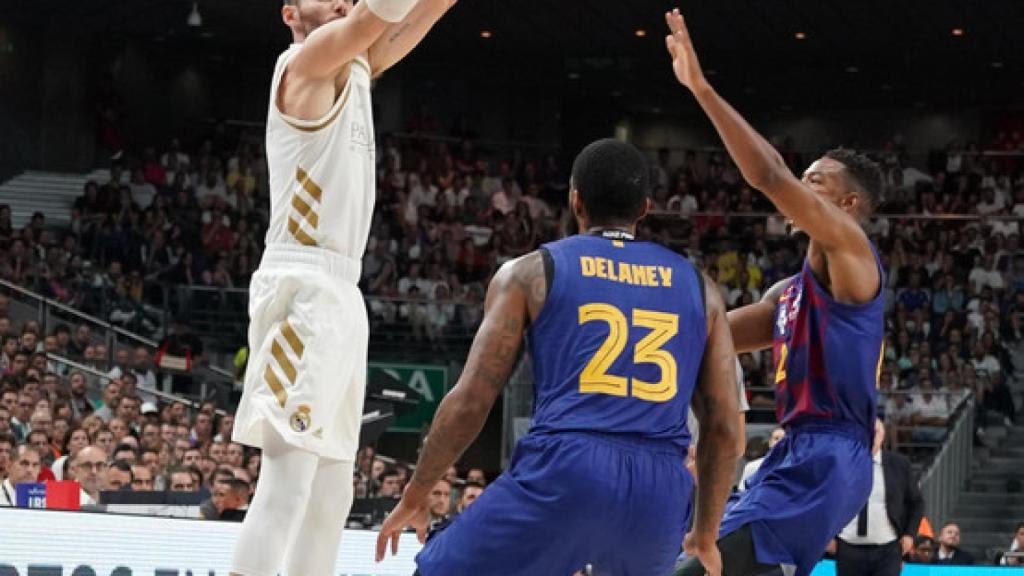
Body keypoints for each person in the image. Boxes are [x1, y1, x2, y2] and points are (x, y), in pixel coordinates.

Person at [377, 138, 741, 575]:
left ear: (575, 200)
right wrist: (705, 531)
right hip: (660, 488)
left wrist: (416, 494)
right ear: (645, 208)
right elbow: (723, 428)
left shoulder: (531, 272)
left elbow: (472, 400)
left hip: (569, 467)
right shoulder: (702, 289)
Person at [229, 0, 456, 574]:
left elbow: (413, 18)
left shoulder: (354, 66)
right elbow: (373, 20)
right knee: (288, 485)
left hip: (340, 291)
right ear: (289, 13)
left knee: (333, 495)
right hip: (301, 285)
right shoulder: (303, 65)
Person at [666, 9, 885, 576]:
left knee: (699, 568)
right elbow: (705, 339)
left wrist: (703, 90)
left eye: (815, 181)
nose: (799, 187)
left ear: (847, 205)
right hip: (800, 452)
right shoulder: (790, 291)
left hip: (829, 454)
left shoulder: (855, 253)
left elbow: (768, 177)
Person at [832, 420, 924, 576]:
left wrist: (909, 534)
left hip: (887, 548)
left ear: (882, 435)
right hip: (847, 547)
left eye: (875, 432)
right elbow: (825, 502)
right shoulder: (839, 463)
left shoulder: (899, 464)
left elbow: (916, 502)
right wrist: (826, 537)